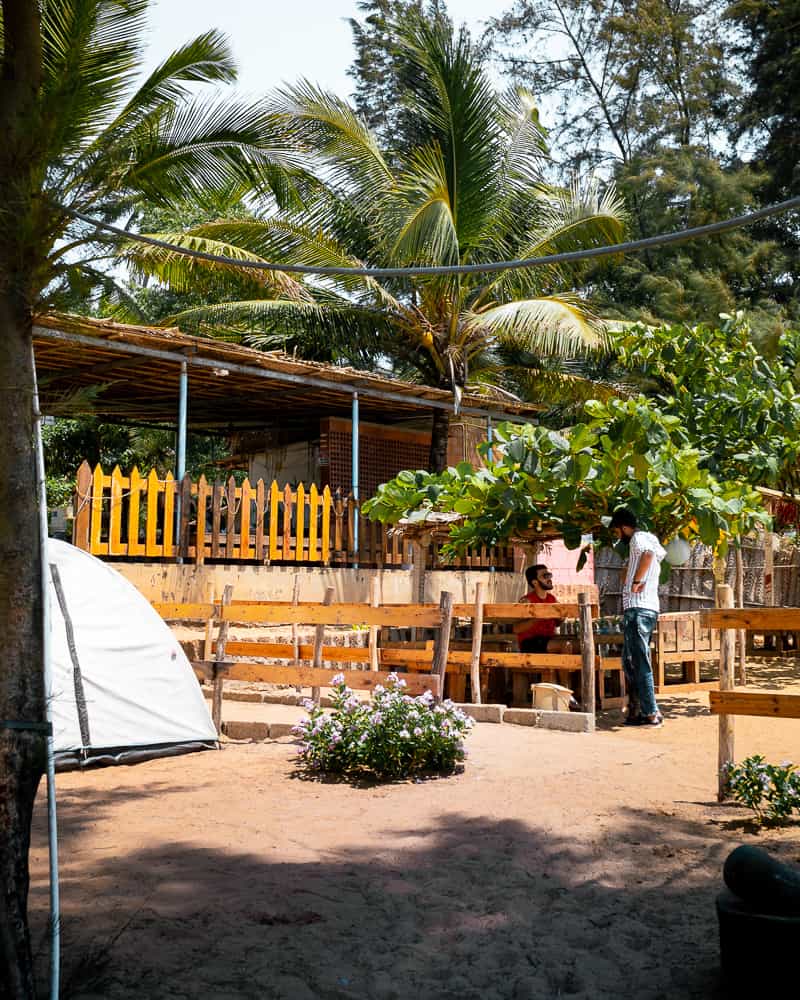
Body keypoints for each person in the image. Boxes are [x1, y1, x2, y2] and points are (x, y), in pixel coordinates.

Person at [609, 507, 667, 728]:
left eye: (616, 532)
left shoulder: (638, 539)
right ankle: (639, 711)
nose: (617, 537)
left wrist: (635, 582)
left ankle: (652, 713)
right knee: (631, 661)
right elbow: (656, 554)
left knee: (638, 661)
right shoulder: (651, 538)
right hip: (648, 608)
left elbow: (648, 554)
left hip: (638, 608)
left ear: (624, 527)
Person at [514, 564, 569, 653]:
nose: (549, 579)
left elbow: (558, 623)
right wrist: (538, 618)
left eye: (549, 575)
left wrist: (561, 618)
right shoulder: (527, 601)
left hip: (549, 639)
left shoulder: (552, 599)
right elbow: (516, 628)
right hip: (531, 642)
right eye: (545, 576)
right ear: (535, 582)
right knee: (565, 645)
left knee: (578, 643)